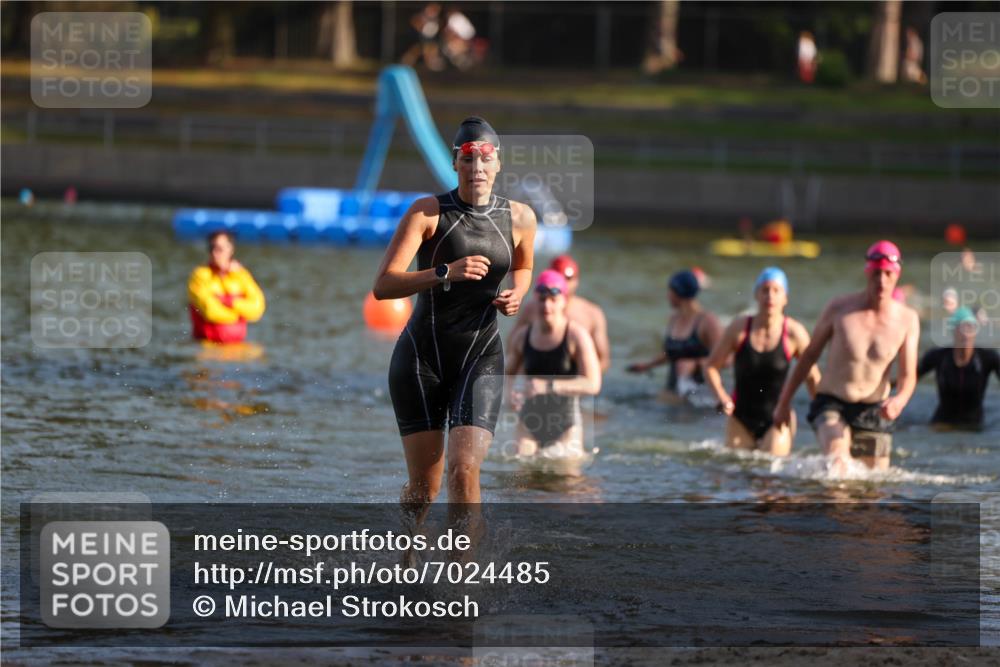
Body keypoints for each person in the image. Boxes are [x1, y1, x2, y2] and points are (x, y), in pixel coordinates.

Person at [374, 116, 536, 507]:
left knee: (463, 470)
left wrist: (518, 293)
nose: (476, 167)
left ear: (498, 163)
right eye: (467, 158)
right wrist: (445, 272)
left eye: (485, 158)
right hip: (421, 360)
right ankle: (407, 560)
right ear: (455, 164)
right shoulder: (428, 213)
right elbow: (384, 285)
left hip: (480, 356)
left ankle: (461, 567)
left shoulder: (521, 217)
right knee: (423, 491)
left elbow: (524, 266)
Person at [773, 241, 921, 472]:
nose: (881, 280)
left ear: (896, 275)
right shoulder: (840, 308)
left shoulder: (907, 319)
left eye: (887, 274)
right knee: (838, 465)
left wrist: (899, 401)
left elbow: (908, 375)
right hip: (832, 403)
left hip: (874, 409)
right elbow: (809, 355)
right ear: (867, 272)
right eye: (876, 274)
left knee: (873, 488)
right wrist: (784, 402)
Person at [704, 268, 820, 456]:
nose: (770, 296)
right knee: (736, 474)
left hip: (777, 418)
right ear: (756, 295)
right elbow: (711, 366)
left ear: (785, 298)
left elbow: (813, 378)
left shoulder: (794, 333)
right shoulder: (739, 328)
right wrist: (721, 396)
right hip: (739, 418)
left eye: (776, 291)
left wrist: (823, 417)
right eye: (765, 290)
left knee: (771, 478)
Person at [506, 270, 601, 462]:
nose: (546, 305)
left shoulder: (577, 336)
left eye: (553, 299)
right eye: (542, 299)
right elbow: (505, 375)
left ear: (564, 301)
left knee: (566, 484)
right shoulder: (522, 336)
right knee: (522, 476)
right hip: (529, 421)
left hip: (566, 423)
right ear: (535, 301)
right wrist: (511, 396)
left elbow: (593, 384)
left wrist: (548, 386)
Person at [627, 269, 723, 406]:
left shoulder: (707, 321)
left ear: (678, 292)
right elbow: (672, 353)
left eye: (670, 291)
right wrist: (647, 365)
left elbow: (727, 359)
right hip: (673, 391)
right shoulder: (674, 319)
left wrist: (696, 364)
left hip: (701, 397)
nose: (667, 296)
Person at [511, 255, 610, 373]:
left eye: (568, 278)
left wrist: (581, 381)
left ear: (577, 281)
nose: (563, 282)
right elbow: (512, 349)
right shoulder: (532, 309)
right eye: (558, 276)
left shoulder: (592, 313)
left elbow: (603, 360)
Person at [917, 307, 999, 430]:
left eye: (970, 327)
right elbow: (908, 378)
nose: (966, 333)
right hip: (942, 424)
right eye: (961, 328)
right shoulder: (938, 356)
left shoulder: (987, 358)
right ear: (953, 330)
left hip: (975, 427)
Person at [188, 231, 266, 344]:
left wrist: (230, 302)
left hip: (237, 348)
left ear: (231, 250)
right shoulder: (200, 275)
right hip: (207, 348)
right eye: (211, 248)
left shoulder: (241, 275)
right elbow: (211, 311)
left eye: (220, 249)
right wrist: (240, 315)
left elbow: (257, 310)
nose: (215, 253)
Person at [401, 2, 444, 71]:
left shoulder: (435, 17)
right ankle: (405, 63)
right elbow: (415, 22)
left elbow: (437, 25)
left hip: (430, 37)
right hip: (422, 36)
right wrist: (420, 29)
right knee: (420, 50)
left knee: (430, 50)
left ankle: (430, 66)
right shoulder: (423, 16)